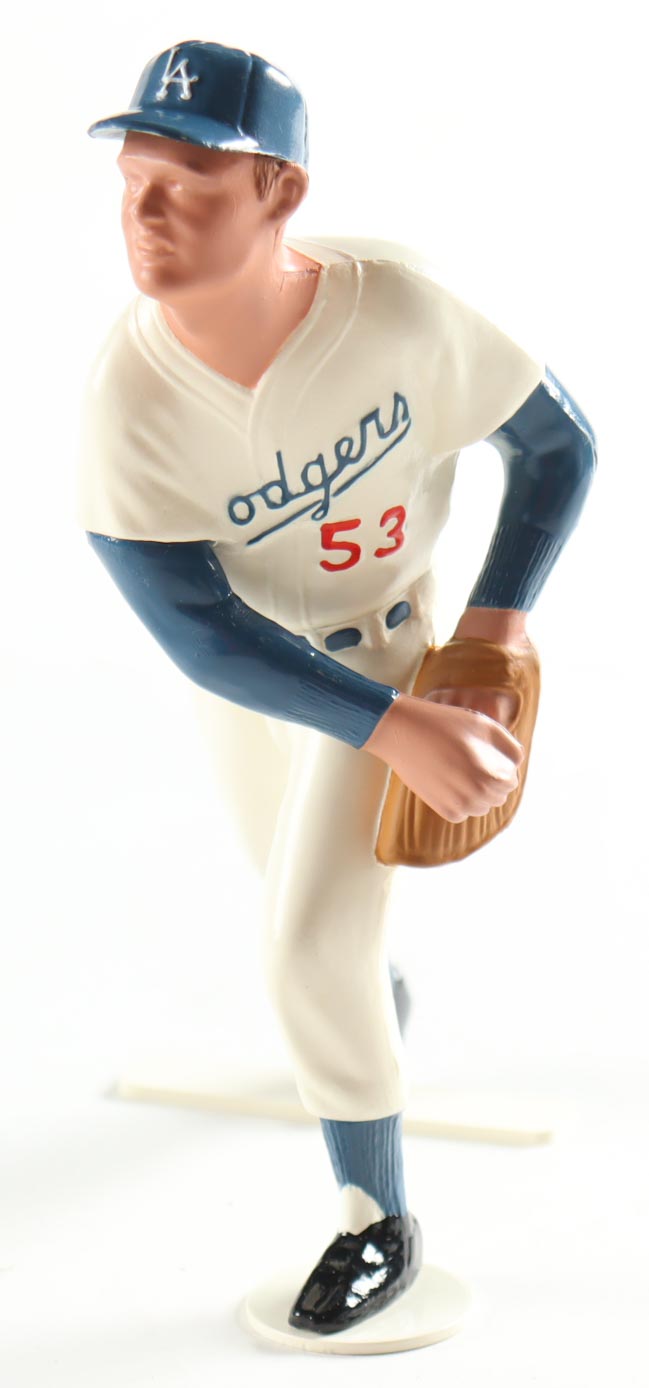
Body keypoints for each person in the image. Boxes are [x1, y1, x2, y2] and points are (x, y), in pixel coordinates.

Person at [80, 39, 596, 1335]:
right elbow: (196, 630)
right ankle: (379, 1007)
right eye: (135, 179)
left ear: (281, 192)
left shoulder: (396, 308)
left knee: (306, 945)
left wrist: (493, 622)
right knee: (296, 899)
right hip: (257, 676)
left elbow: (554, 443)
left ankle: (380, 1222)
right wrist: (393, 732)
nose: (148, 211)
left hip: (390, 644)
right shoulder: (128, 394)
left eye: (192, 180)